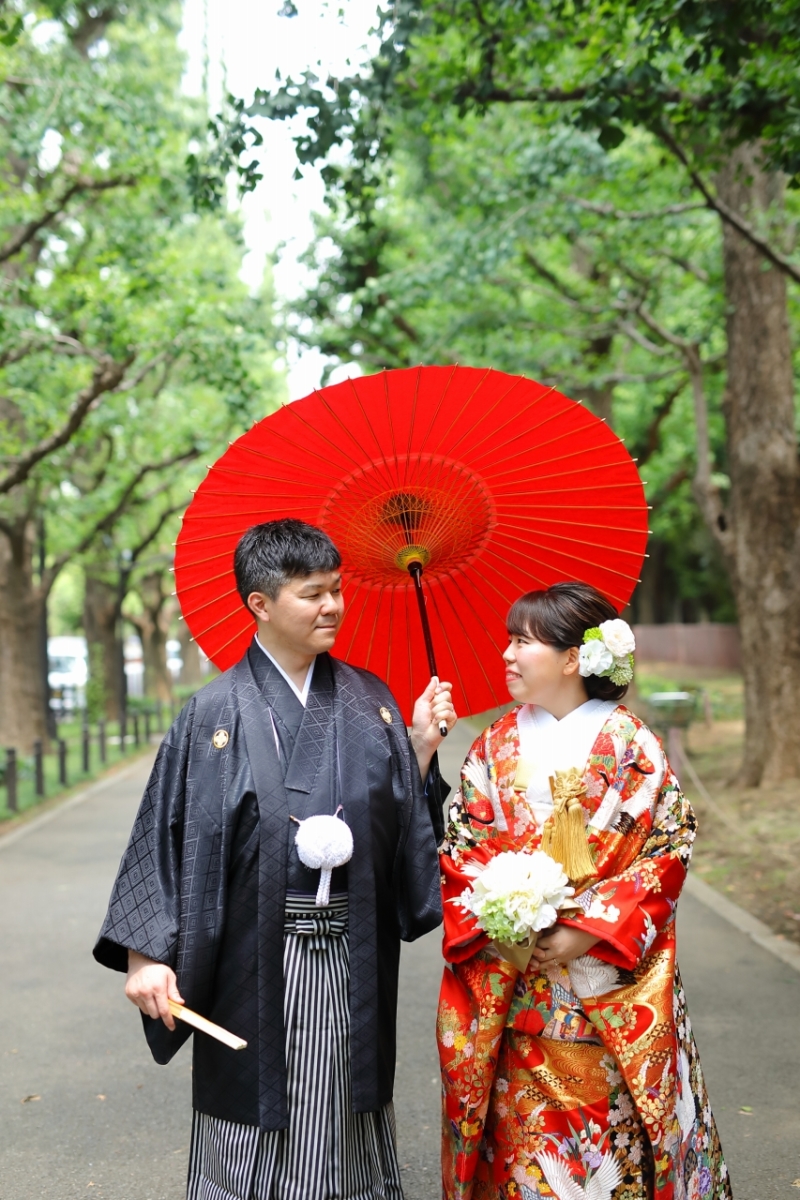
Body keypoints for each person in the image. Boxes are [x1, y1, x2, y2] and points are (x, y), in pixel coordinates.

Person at [94, 518, 456, 1200]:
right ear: (260, 603)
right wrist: (146, 956)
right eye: (312, 594)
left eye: (337, 590)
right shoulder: (212, 713)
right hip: (248, 958)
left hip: (352, 952)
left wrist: (419, 748)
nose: (332, 607)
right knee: (250, 1113)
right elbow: (163, 837)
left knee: (344, 1106)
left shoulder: (370, 701)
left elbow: (397, 826)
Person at [437, 582, 731, 1200]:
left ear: (573, 658)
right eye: (507, 641)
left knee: (614, 1147)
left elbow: (669, 845)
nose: (508, 656)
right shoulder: (494, 746)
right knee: (527, 1155)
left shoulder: (630, 744)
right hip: (521, 983)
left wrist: (584, 929)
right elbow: (463, 847)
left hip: (602, 979)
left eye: (524, 641)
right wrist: (506, 911)